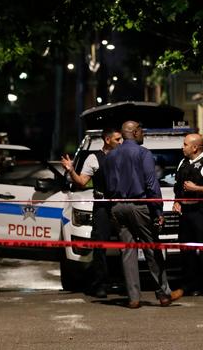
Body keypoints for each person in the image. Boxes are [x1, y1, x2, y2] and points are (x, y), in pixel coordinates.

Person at [104, 121, 182, 308]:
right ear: (135, 132)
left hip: (117, 207)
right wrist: (158, 211)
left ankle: (134, 298)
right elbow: (152, 185)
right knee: (152, 248)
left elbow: (108, 185)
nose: (143, 133)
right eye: (141, 130)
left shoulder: (110, 156)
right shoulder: (143, 153)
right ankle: (164, 294)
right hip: (140, 206)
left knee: (127, 252)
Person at [61, 128, 122, 298]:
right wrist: (71, 169)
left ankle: (127, 283)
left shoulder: (124, 156)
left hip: (122, 205)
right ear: (107, 139)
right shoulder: (94, 158)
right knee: (100, 246)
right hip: (102, 207)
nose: (121, 142)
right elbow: (81, 181)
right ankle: (100, 284)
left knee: (127, 245)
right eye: (117, 139)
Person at [170, 134, 203, 300]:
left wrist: (196, 188)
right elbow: (178, 186)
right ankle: (191, 285)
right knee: (187, 251)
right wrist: (177, 201)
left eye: (185, 144)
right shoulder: (183, 162)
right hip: (186, 214)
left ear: (195, 147)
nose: (182, 147)